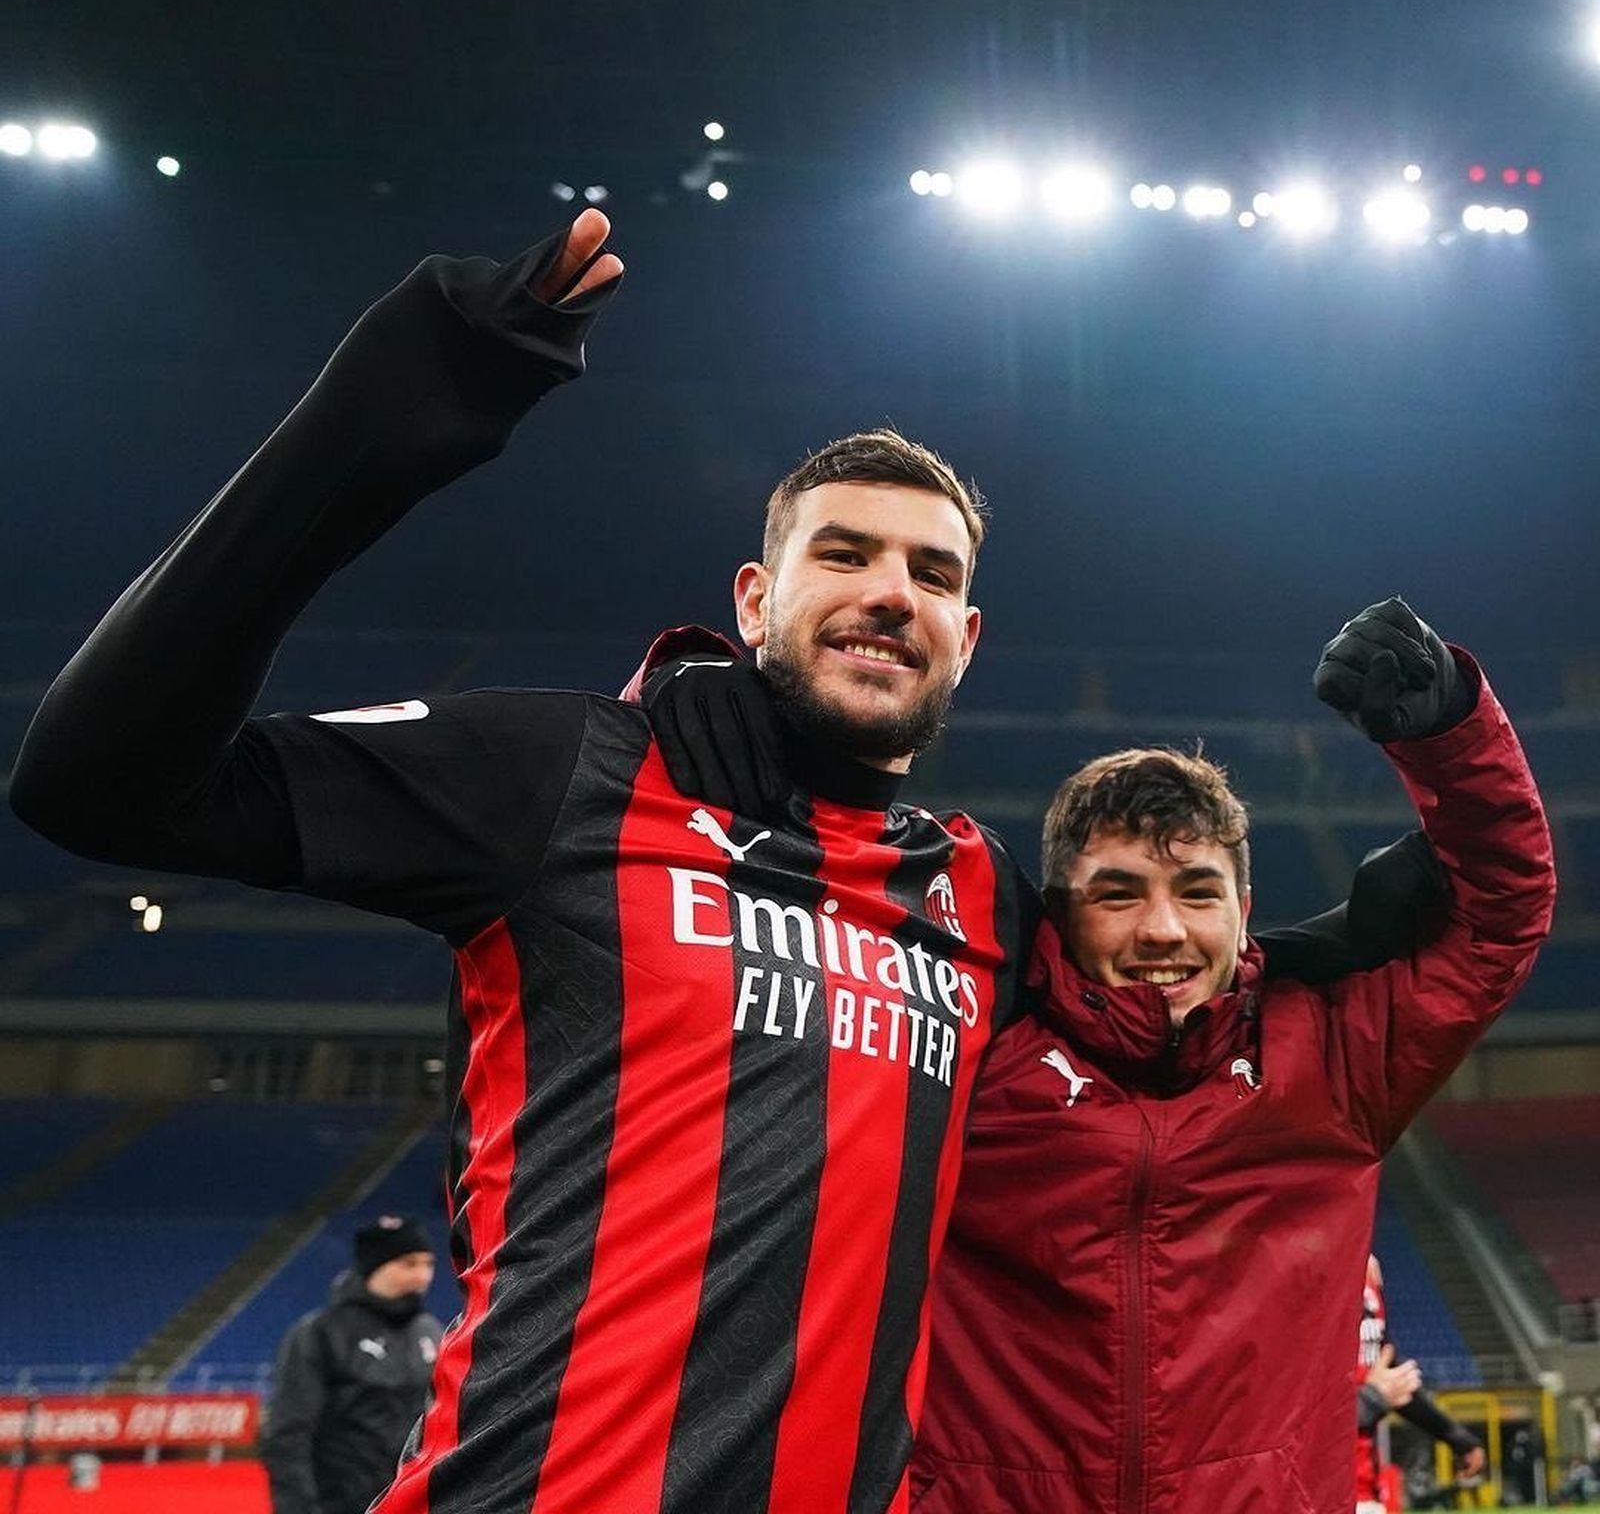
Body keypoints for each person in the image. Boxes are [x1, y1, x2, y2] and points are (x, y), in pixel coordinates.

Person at [8, 209, 1427, 1514]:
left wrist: (1354, 918)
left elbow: (1164, 998)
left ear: (969, 640)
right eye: (846, 555)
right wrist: (360, 443)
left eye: (933, 574)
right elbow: (93, 782)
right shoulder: (562, 781)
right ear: (754, 598)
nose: (890, 592)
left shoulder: (978, 886)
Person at [904, 599, 1554, 1513]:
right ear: (1059, 911)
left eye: (1197, 891)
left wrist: (1451, 733)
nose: (1164, 930)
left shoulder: (1333, 1059)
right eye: (1119, 894)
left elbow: (1501, 915)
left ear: (1245, 907)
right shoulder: (967, 1048)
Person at [262, 1216, 443, 1514]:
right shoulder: (320, 1333)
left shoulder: (431, 1331)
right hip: (342, 1504)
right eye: (409, 1264)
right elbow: (288, 1433)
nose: (423, 1276)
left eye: (428, 1264)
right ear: (375, 1267)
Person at [1356, 1251, 1485, 1514]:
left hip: (1363, 1486)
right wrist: (1370, 1399)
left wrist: (1454, 1436)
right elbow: (1285, 1409)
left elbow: (1385, 1376)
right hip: (1312, 1489)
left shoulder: (1366, 1277)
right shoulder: (1294, 1277)